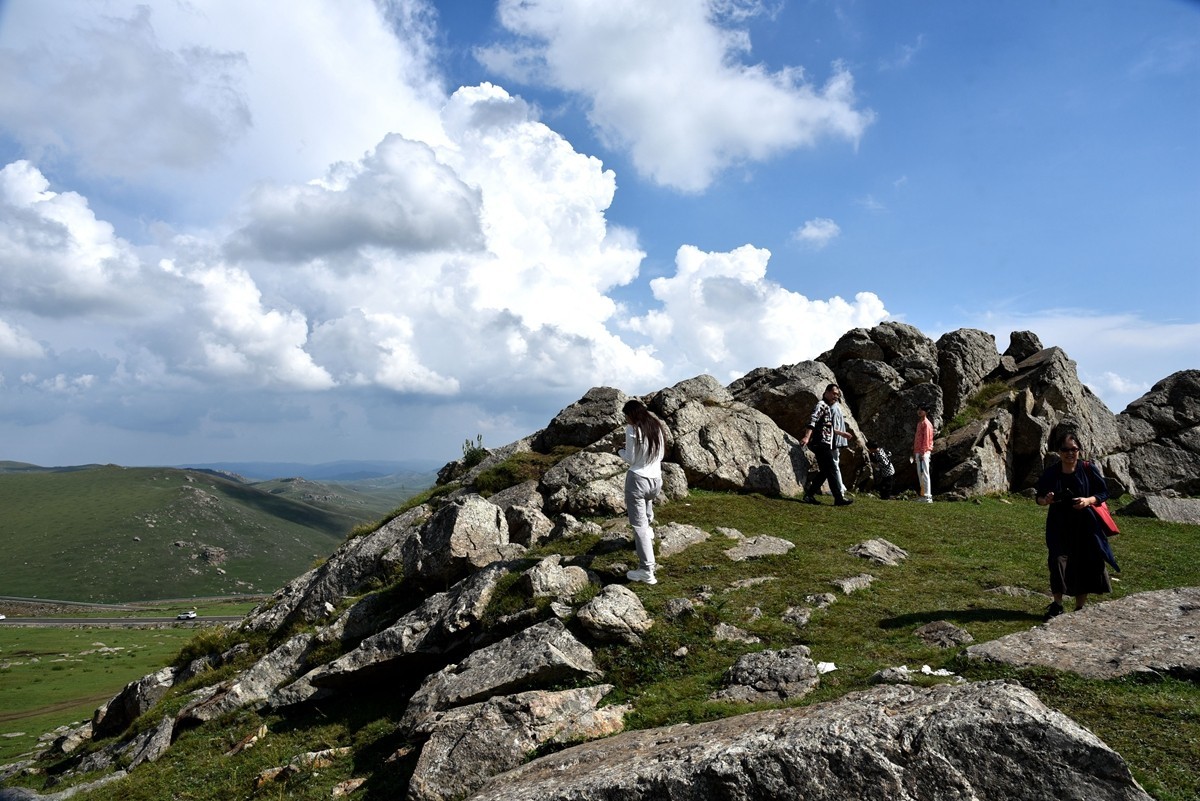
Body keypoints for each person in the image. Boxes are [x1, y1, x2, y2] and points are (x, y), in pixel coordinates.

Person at [1035, 431, 1119, 620]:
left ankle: (1080, 608)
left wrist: (1088, 500)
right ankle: (1057, 604)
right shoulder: (1051, 472)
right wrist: (1045, 500)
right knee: (1057, 561)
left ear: (1079, 451)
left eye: (1074, 449)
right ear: (1059, 451)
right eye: (1065, 449)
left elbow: (1104, 493)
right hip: (1059, 525)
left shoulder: (1088, 469)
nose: (1070, 453)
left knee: (1085, 562)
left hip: (1086, 525)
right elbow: (1038, 498)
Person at [618, 398, 666, 585]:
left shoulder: (632, 429)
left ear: (631, 414)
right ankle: (649, 535)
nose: (626, 420)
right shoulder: (656, 427)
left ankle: (647, 570)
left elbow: (630, 459)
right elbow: (660, 455)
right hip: (656, 480)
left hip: (637, 479)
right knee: (646, 505)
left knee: (639, 527)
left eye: (626, 417)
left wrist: (619, 451)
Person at [798, 384, 854, 506]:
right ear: (826, 392)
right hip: (820, 443)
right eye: (834, 393)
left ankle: (809, 495)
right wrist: (807, 437)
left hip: (825, 443)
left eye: (837, 395)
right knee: (832, 469)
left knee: (825, 471)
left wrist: (842, 433)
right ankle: (838, 498)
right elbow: (813, 420)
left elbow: (827, 427)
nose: (836, 396)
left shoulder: (827, 407)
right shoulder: (821, 405)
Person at [913, 405, 934, 502]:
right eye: (919, 409)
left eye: (922, 410)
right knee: (920, 473)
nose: (919, 411)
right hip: (918, 451)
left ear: (926, 411)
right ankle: (923, 494)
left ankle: (927, 496)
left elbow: (927, 439)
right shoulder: (919, 423)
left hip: (924, 452)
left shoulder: (926, 423)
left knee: (925, 473)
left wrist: (922, 451)